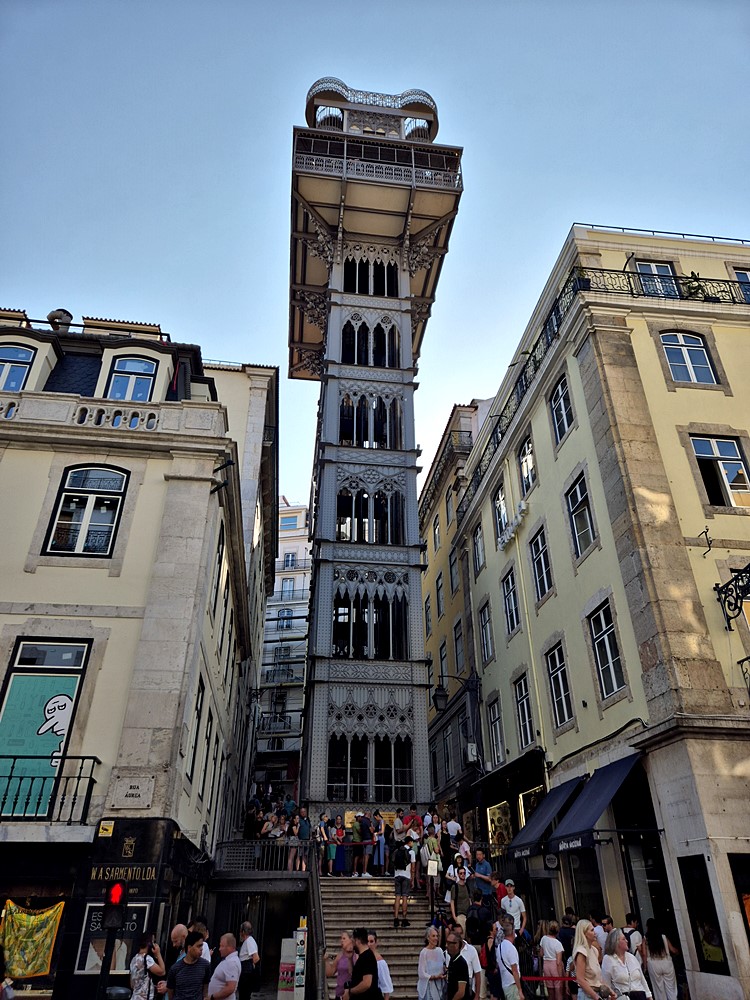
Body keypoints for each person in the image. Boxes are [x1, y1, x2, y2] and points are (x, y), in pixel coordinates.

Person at [601, 928, 651, 1000]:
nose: (627, 941)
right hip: (624, 996)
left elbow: (642, 979)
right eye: (624, 939)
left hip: (640, 995)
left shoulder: (632, 957)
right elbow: (606, 983)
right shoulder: (608, 959)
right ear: (616, 942)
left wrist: (649, 996)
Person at [572, 920, 614, 1000]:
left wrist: (610, 991)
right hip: (587, 995)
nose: (594, 932)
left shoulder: (594, 950)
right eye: (591, 930)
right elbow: (580, 979)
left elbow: (598, 978)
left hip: (597, 993)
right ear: (584, 934)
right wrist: (595, 997)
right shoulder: (581, 952)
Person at [166, 930, 211, 1000]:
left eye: (201, 946)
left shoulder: (205, 965)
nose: (201, 949)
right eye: (198, 946)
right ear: (189, 947)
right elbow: (170, 993)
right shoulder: (175, 969)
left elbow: (205, 988)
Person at [643, 919, 678, 1000]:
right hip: (666, 963)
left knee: (659, 990)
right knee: (671, 989)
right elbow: (672, 949)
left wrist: (645, 967)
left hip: (654, 964)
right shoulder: (663, 937)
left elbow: (644, 954)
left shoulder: (646, 938)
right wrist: (679, 951)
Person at [342, 928, 380, 1000]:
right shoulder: (362, 957)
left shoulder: (367, 957)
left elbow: (366, 983)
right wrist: (350, 959)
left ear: (358, 941)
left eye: (353, 942)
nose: (352, 945)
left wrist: (350, 991)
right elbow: (355, 975)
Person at [130, 931, 166, 1000]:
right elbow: (162, 971)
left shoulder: (134, 959)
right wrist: (158, 953)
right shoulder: (147, 959)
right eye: (153, 941)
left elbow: (132, 984)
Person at [208, 934, 242, 1000]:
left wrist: (212, 997)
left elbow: (230, 988)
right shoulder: (228, 960)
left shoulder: (232, 963)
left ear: (230, 947)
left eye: (222, 946)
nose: (219, 949)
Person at [497, 918, 523, 1000]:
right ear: (512, 932)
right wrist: (520, 990)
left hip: (505, 984)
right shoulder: (511, 948)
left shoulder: (499, 947)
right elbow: (514, 970)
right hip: (512, 985)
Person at [418, 925, 446, 1000]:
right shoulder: (424, 953)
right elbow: (421, 973)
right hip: (429, 987)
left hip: (440, 985)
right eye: (433, 936)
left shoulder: (440, 951)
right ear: (428, 938)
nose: (436, 938)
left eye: (437, 936)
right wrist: (434, 977)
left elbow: (443, 966)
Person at [325, 931, 355, 1000]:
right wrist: (326, 961)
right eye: (341, 938)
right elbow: (330, 972)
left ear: (351, 940)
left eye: (344, 938)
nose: (341, 941)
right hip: (339, 993)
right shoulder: (340, 955)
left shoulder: (356, 955)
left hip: (350, 994)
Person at [539, 921, 564, 1000]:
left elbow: (541, 954)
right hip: (555, 966)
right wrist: (560, 976)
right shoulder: (558, 944)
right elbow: (558, 962)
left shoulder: (544, 939)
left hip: (546, 965)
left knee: (550, 991)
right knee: (558, 990)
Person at [392, 837, 414, 928]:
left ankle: (396, 918)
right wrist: (412, 879)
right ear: (410, 842)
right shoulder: (411, 852)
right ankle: (404, 919)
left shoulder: (396, 851)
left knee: (397, 896)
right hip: (406, 875)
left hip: (397, 875)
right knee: (404, 896)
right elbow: (413, 868)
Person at [367, 931, 393, 1000]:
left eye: (371, 941)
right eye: (367, 941)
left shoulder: (380, 963)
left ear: (375, 943)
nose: (369, 944)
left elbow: (386, 988)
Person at [445, 932, 470, 1000]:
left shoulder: (461, 963)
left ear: (456, 945)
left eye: (449, 943)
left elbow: (461, 992)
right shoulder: (452, 960)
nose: (446, 945)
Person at [238, 922, 259, 1000]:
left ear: (243, 932)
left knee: (245, 995)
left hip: (247, 972)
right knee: (244, 994)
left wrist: (252, 966)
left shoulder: (249, 941)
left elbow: (256, 958)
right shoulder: (248, 941)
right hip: (246, 970)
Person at [351, 812, 364, 877]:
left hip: (358, 842)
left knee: (359, 857)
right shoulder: (356, 824)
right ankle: (354, 871)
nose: (361, 818)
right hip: (357, 842)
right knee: (356, 857)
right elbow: (360, 832)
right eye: (361, 817)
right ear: (358, 817)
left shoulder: (356, 824)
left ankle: (357, 871)